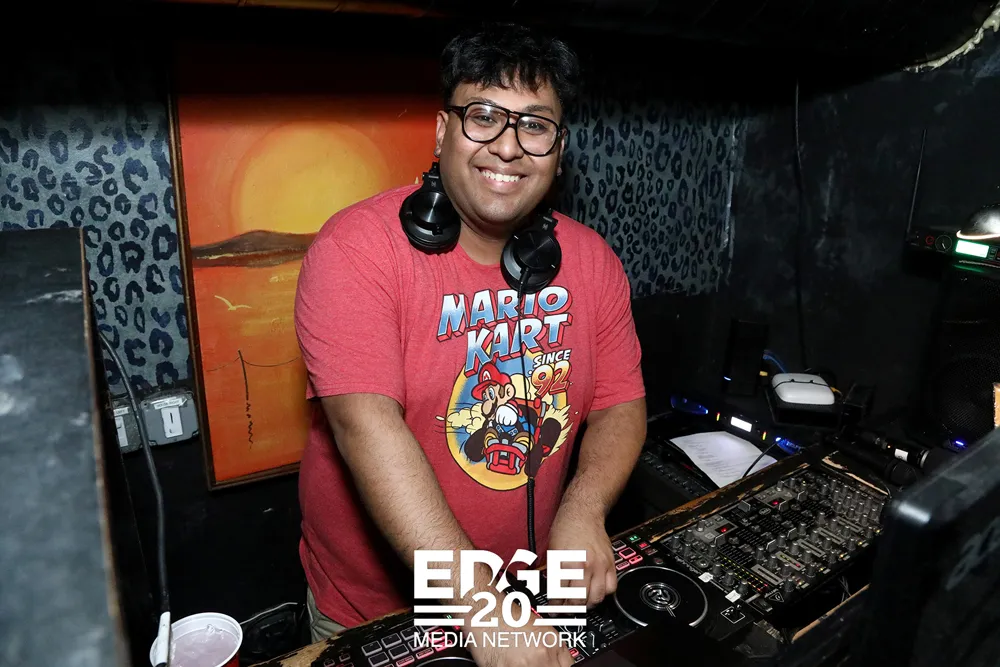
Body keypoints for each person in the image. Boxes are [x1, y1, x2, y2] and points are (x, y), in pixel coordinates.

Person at [294, 21, 647, 667]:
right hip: (375, 611)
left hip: (527, 597)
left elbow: (621, 405)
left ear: (559, 148)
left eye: (534, 125)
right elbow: (366, 425)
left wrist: (583, 509)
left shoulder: (592, 261)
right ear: (441, 131)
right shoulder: (355, 250)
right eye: (483, 116)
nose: (508, 147)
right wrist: (480, 605)